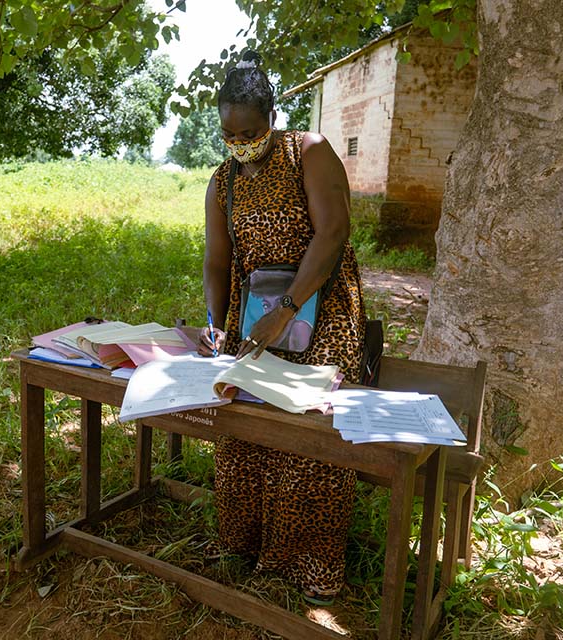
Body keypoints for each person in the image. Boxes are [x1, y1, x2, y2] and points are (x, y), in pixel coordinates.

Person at [196, 50, 367, 605]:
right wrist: (216, 323)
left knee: (307, 437)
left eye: (248, 131)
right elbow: (217, 263)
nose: (239, 142)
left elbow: (334, 231)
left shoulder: (308, 153)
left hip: (321, 313)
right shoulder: (222, 184)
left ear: (272, 117)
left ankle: (309, 567)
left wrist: (289, 308)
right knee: (243, 428)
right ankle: (245, 548)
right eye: (228, 133)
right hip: (254, 322)